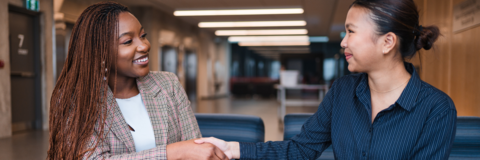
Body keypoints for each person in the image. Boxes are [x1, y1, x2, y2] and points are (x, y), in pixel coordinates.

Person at [195, 0, 457, 159]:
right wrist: (231, 148)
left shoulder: (436, 109)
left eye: (351, 31)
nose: (343, 41)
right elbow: (299, 151)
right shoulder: (342, 91)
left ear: (387, 42)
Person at [47, 2, 228, 160]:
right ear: (100, 53)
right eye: (127, 41)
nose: (144, 45)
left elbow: (196, 149)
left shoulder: (168, 84)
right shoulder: (76, 99)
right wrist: (172, 153)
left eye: (142, 35)